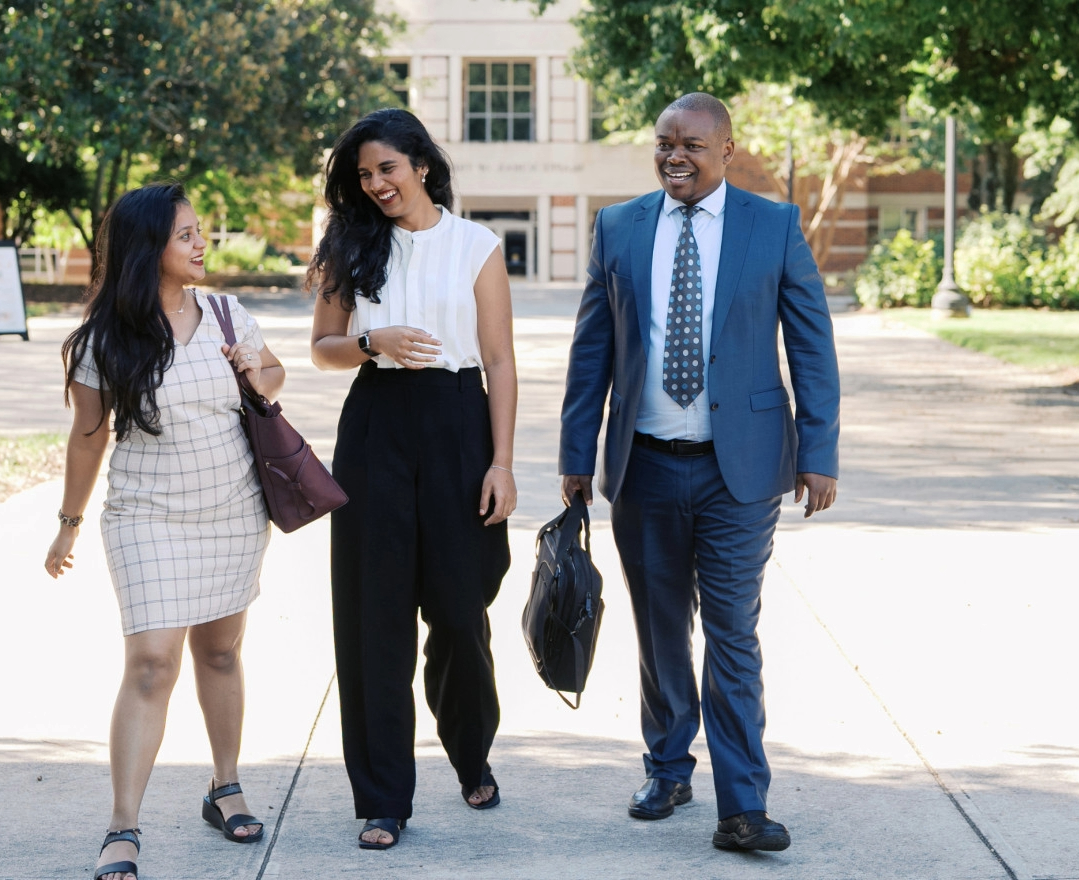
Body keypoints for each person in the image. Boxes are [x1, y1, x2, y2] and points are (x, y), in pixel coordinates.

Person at [559, 92, 841, 852]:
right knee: (658, 632)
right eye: (662, 144)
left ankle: (742, 804)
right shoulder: (619, 227)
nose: (673, 156)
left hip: (738, 474)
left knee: (731, 635)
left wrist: (819, 453)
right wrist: (575, 455)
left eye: (689, 144)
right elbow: (592, 350)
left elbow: (811, 345)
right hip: (643, 467)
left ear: (725, 148)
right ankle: (666, 766)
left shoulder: (772, 225)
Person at [45, 182, 284, 880]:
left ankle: (226, 783)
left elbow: (274, 378)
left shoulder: (225, 313)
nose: (202, 242)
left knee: (219, 653)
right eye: (187, 234)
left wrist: (258, 370)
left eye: (201, 230)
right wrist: (69, 525)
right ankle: (123, 825)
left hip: (234, 509)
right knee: (151, 663)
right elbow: (87, 440)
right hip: (147, 515)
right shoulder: (103, 338)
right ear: (149, 246)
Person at [308, 107, 518, 851]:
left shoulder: (475, 245)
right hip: (376, 427)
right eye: (362, 175)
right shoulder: (350, 245)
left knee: (461, 612)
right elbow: (323, 349)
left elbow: (497, 361)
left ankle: (471, 750)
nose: (374, 185)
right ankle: (382, 797)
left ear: (421, 165)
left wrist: (500, 462)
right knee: (375, 619)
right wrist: (373, 341)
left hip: (461, 421)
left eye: (386, 169)